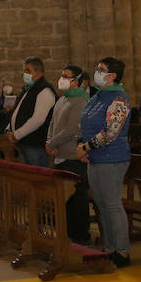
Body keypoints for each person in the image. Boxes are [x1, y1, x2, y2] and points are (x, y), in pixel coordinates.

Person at [78, 57, 132, 267]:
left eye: (101, 70)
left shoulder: (120, 98)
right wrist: (83, 148)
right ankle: (109, 247)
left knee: (112, 204)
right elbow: (86, 123)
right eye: (97, 68)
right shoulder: (98, 96)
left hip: (112, 158)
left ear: (113, 76)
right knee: (101, 204)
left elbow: (111, 131)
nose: (97, 72)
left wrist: (86, 147)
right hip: (95, 157)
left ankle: (122, 251)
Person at [46, 65, 91, 245]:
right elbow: (52, 124)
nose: (62, 78)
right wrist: (49, 143)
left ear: (77, 81)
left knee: (77, 199)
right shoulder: (62, 100)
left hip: (73, 156)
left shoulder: (80, 101)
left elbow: (70, 129)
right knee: (65, 200)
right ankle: (69, 235)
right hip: (58, 154)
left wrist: (52, 143)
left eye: (66, 76)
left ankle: (81, 237)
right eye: (61, 75)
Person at [8, 57, 56, 168]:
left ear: (38, 72)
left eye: (28, 71)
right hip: (25, 143)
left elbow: (38, 119)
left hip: (36, 145)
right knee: (30, 178)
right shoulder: (29, 89)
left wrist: (17, 135)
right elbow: (17, 111)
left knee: (39, 179)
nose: (25, 74)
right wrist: (9, 129)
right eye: (25, 71)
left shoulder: (44, 90)